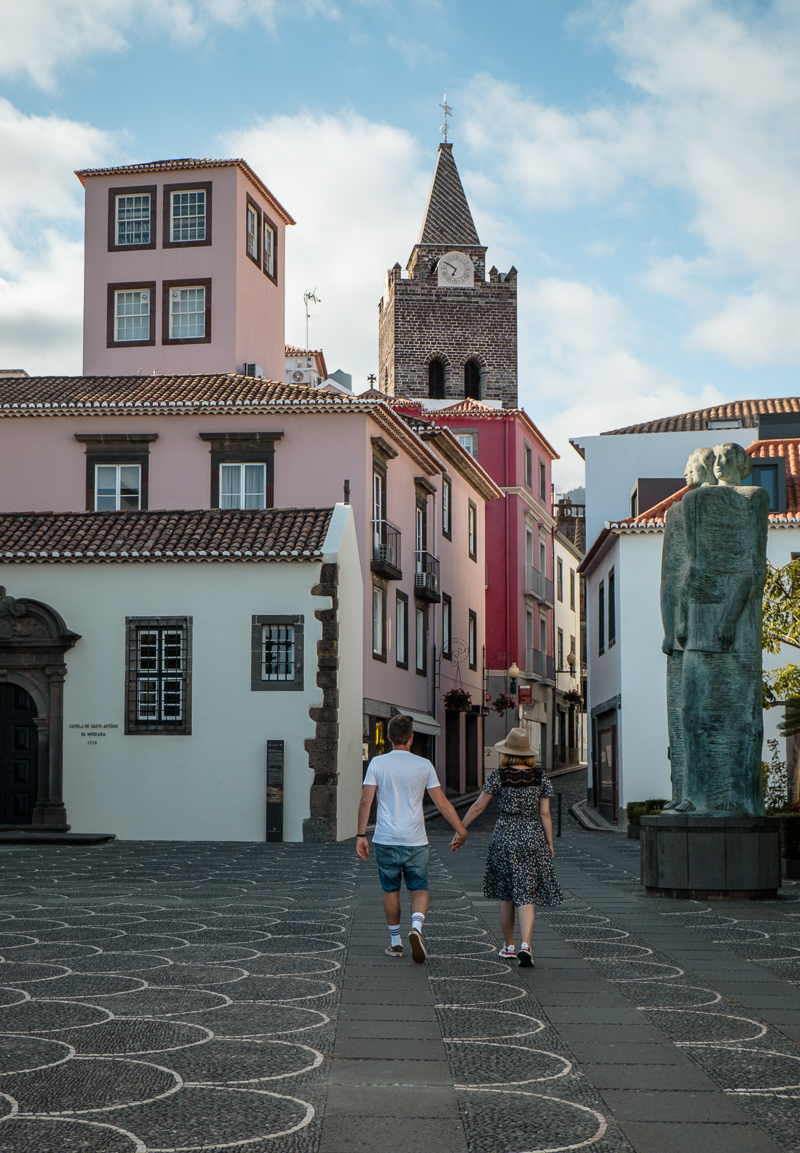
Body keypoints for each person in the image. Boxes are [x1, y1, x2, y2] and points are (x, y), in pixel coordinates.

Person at [356, 713, 468, 963]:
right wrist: (461, 829)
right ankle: (416, 927)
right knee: (419, 888)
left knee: (390, 890)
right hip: (416, 840)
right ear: (412, 737)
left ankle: (395, 943)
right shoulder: (424, 765)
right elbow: (441, 802)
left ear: (388, 737)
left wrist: (361, 834)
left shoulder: (377, 763)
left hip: (385, 838)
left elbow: (366, 800)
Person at [453, 727, 563, 967]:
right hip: (532, 835)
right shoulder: (540, 777)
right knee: (526, 892)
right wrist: (549, 841)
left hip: (504, 835)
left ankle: (508, 946)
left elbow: (478, 807)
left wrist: (461, 829)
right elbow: (544, 813)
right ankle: (526, 944)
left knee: (506, 893)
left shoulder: (499, 776)